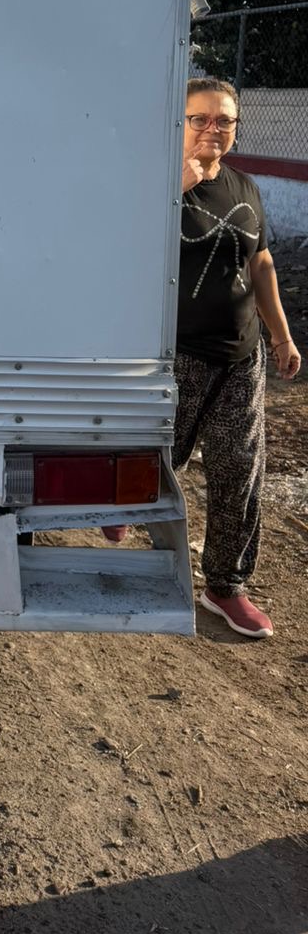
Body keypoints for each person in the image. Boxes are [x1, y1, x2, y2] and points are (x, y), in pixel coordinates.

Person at [146, 76, 299, 638]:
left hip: (240, 356)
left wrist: (280, 336)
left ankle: (226, 586)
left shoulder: (245, 186)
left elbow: (261, 264)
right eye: (200, 119)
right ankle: (127, 523)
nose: (213, 129)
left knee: (240, 469)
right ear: (179, 123)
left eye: (224, 120)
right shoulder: (156, 182)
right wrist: (171, 190)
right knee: (158, 462)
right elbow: (121, 247)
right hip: (177, 356)